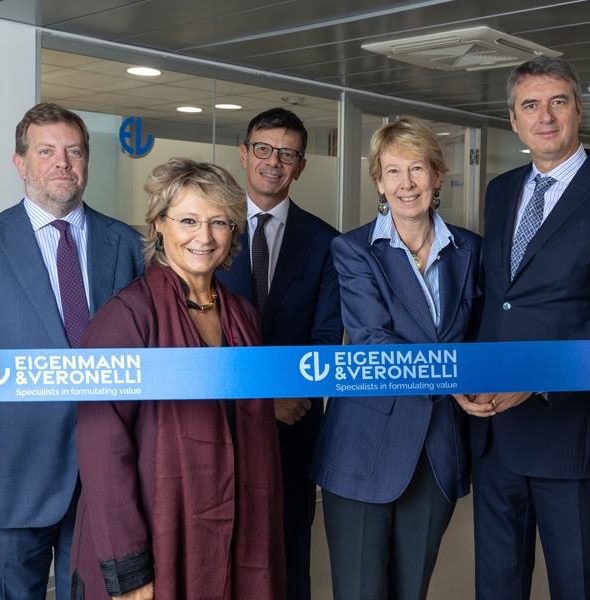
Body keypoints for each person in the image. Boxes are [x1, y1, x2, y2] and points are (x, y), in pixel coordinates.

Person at [0, 102, 144, 600]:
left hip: (105, 481)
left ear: (86, 161)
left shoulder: (128, 245)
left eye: (74, 151)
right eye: (46, 151)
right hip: (4, 480)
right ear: (20, 163)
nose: (62, 162)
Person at [454, 56, 590, 599]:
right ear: (514, 120)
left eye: (557, 102)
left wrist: (536, 377)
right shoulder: (501, 190)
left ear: (579, 110)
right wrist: (464, 375)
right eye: (530, 105)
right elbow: (498, 302)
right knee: (496, 588)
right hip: (495, 435)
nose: (545, 117)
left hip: (574, 436)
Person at [71, 158, 285, 600]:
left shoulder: (243, 316)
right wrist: (130, 573)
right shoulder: (125, 317)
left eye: (219, 222)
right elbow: (102, 450)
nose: (204, 237)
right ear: (158, 224)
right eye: (188, 220)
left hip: (240, 535)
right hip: (159, 539)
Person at [311, 116, 482, 600]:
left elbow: (479, 338)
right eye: (392, 171)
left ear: (437, 175)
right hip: (365, 445)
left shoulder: (470, 250)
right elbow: (372, 342)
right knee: (360, 591)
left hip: (438, 445)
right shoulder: (354, 250)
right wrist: (454, 378)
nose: (406, 183)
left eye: (417, 168)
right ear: (379, 183)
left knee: (412, 590)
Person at [215, 107, 342, 600]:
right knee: (219, 561)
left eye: (287, 154)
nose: (274, 161)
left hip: (294, 427)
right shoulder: (209, 231)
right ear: (244, 155)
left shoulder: (326, 242)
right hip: (218, 427)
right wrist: (258, 403)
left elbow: (325, 340)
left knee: (288, 562)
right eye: (264, 149)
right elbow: (195, 340)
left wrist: (284, 400)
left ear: (301, 166)